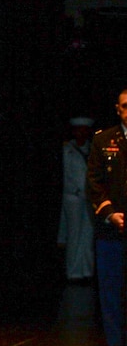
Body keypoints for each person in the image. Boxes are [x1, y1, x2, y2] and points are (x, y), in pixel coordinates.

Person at [88, 89, 127, 346]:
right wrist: (111, 214)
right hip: (111, 227)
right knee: (112, 286)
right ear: (118, 109)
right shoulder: (103, 141)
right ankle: (115, 342)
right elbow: (94, 183)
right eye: (126, 106)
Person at [60, 116, 95, 281]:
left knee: (87, 235)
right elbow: (66, 176)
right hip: (72, 197)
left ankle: (86, 271)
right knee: (74, 234)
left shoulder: (92, 150)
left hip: (88, 198)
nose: (82, 132)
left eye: (85, 129)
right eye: (79, 129)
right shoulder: (67, 150)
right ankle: (73, 272)